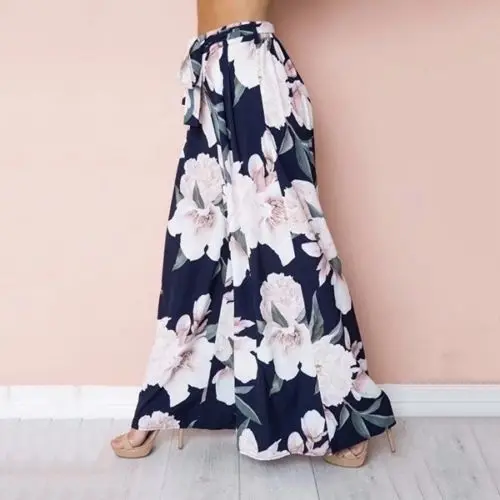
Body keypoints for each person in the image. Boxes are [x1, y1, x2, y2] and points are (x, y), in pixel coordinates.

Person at [111, 0, 396, 468]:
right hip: (210, 73)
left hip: (250, 68)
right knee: (197, 238)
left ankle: (342, 413)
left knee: (289, 238)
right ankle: (163, 401)